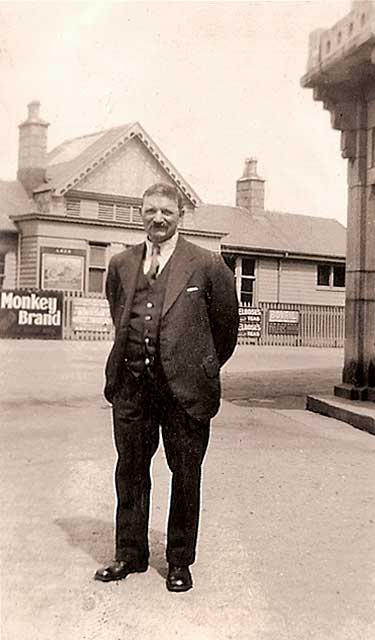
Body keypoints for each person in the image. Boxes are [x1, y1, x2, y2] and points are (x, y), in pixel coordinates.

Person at [95, 182, 239, 592]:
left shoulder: (207, 264)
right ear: (140, 214)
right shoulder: (122, 263)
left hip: (185, 392)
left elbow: (225, 329)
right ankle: (129, 554)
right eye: (150, 211)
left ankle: (179, 561)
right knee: (131, 470)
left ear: (180, 216)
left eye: (166, 212)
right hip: (133, 388)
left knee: (186, 473)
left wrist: (202, 367)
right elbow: (118, 311)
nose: (158, 219)